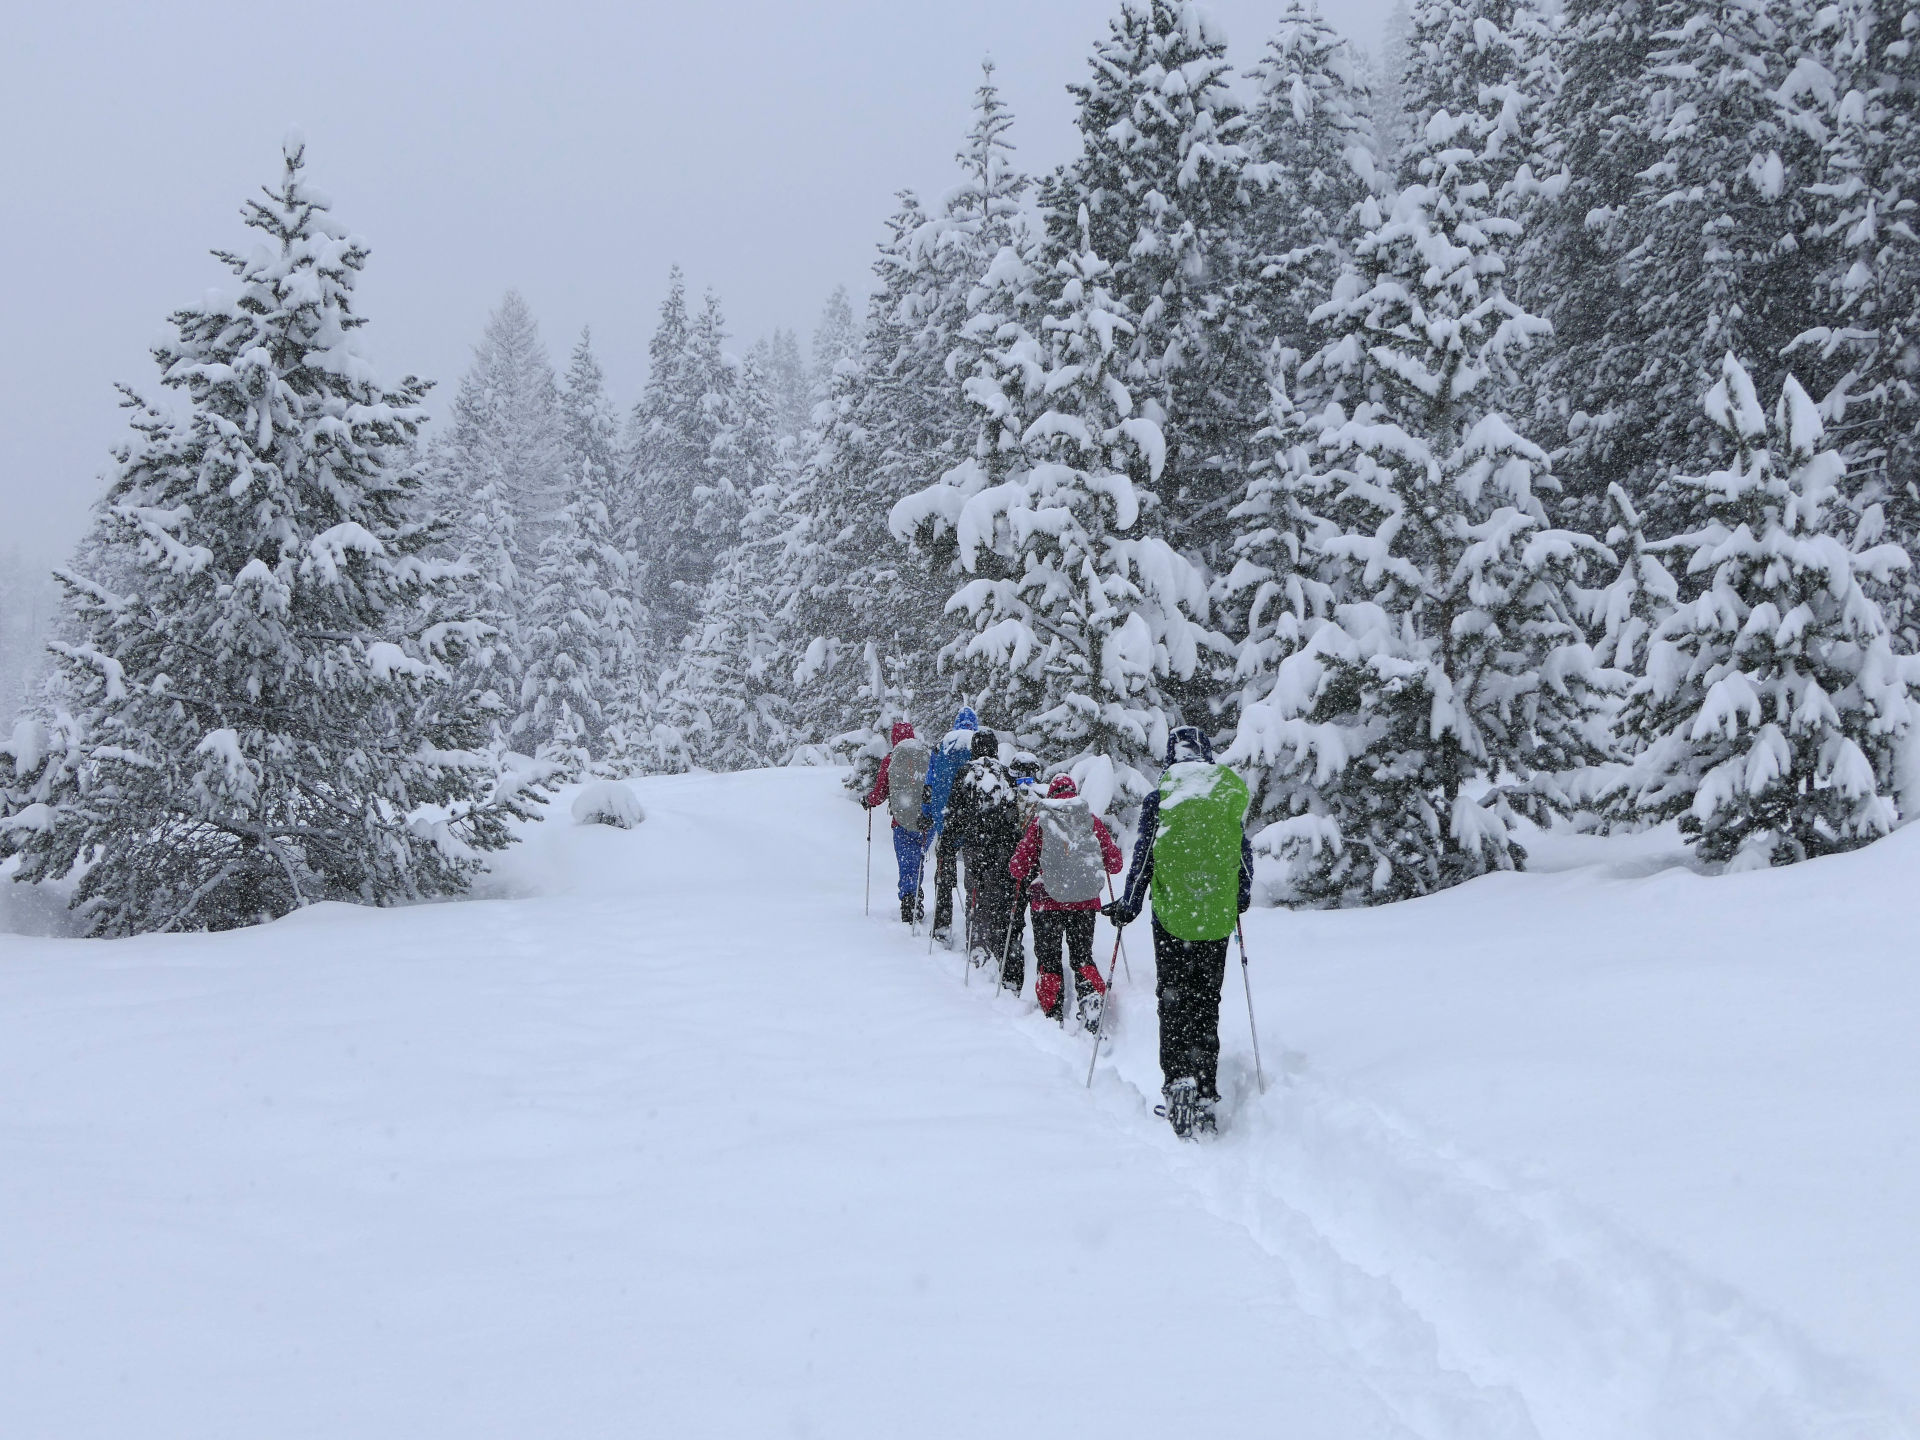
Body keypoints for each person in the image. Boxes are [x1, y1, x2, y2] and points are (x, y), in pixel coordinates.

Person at [1104, 726, 1253, 1140]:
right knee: (1207, 1002)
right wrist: (1239, 897)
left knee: (1173, 1001)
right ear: (1206, 755)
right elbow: (1242, 855)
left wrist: (1129, 905)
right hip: (1216, 921)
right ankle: (1205, 1089)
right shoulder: (1224, 796)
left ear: (1172, 757)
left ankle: (1178, 1084)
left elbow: (1145, 855)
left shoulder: (1162, 798)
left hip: (1171, 920)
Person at [1008, 775, 1124, 1026]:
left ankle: (1051, 1011)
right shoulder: (1090, 820)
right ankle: (1092, 999)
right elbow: (1115, 864)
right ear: (1074, 792)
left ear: (1051, 794)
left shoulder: (1042, 821)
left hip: (1047, 903)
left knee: (1049, 958)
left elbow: (1017, 866)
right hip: (1084, 903)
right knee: (1082, 954)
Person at [940, 728, 1026, 977]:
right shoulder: (1004, 774)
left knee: (976, 894)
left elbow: (954, 812)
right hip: (1002, 847)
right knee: (1000, 896)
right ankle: (1001, 945)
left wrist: (948, 842)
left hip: (975, 846)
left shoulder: (967, 773)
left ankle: (977, 944)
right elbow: (1015, 813)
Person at [862, 721, 933, 924]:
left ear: (894, 739)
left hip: (901, 822)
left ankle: (909, 901)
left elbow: (880, 793)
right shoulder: (926, 757)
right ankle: (916, 897)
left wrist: (868, 801)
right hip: (925, 822)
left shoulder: (891, 760)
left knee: (906, 864)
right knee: (917, 861)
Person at [921, 707, 979, 944]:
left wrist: (928, 815)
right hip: (974, 822)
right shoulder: (978, 744)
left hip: (946, 819)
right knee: (975, 876)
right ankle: (974, 928)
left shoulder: (942, 746)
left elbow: (930, 784)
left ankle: (942, 925)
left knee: (945, 873)